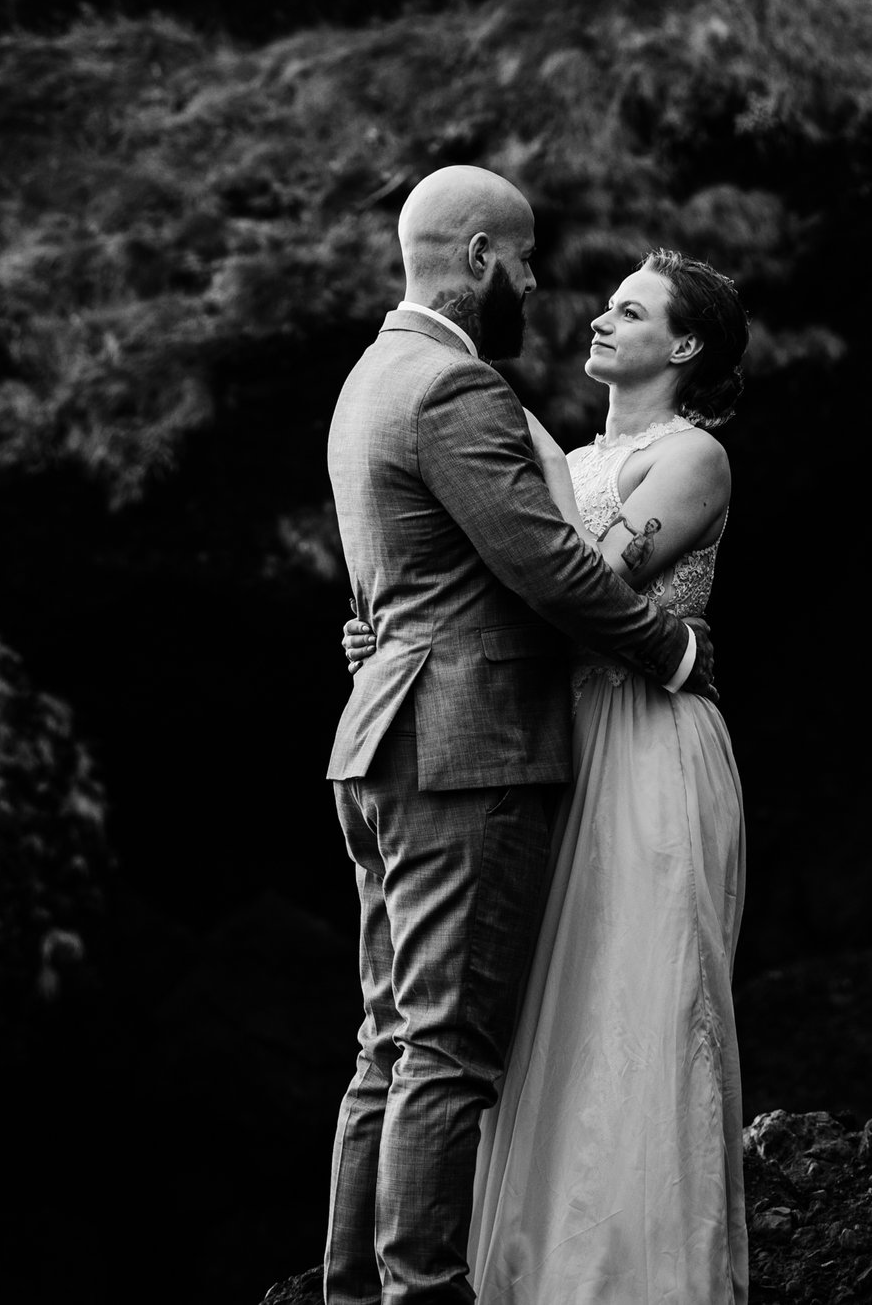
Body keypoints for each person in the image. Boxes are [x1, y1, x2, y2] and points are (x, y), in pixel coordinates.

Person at [322, 169, 720, 1305]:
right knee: (442, 1053)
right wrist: (672, 652)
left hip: (382, 736)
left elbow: (392, 576)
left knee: (385, 1048)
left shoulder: (369, 380)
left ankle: (355, 1292)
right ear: (483, 255)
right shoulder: (453, 386)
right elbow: (543, 565)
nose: (543, 284)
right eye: (530, 258)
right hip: (464, 745)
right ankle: (422, 1294)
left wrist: (381, 639)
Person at [461, 246, 751, 1305]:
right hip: (561, 741)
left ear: (681, 345)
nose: (598, 320)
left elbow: (585, 579)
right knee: (552, 998)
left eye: (629, 311)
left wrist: (514, 443)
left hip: (645, 745)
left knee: (638, 993)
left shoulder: (693, 458)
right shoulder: (579, 458)